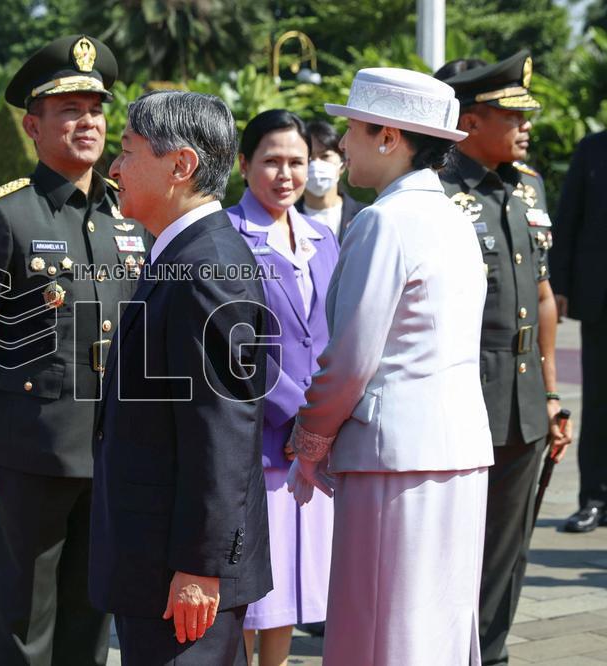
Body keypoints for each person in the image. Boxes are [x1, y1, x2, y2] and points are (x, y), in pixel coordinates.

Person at [0, 35, 148, 665]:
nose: (87, 122)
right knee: (24, 623)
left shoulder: (129, 215)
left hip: (112, 456)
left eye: (95, 109)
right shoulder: (5, 215)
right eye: (69, 111)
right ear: (33, 126)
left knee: (91, 620)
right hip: (30, 455)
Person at [288, 68, 494, 665]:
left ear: (389, 137)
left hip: (393, 458)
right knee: (438, 632)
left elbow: (351, 357)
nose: (342, 143)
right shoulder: (456, 219)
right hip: (459, 453)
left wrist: (310, 440)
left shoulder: (384, 220)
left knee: (382, 633)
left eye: (354, 127)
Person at [90, 90, 272, 665]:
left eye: (127, 151)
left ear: (181, 165)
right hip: (156, 557)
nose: (114, 167)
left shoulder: (204, 268)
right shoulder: (181, 253)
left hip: (182, 572)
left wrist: (201, 567)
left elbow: (223, 430)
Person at [435, 51, 573, 665]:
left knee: (508, 549)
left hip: (524, 397)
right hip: (463, 391)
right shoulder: (439, 191)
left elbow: (543, 295)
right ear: (469, 121)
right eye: (511, 115)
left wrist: (552, 393)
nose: (526, 125)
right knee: (450, 544)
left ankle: (490, 653)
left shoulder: (528, 186)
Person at [224, 110, 338, 666]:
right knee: (252, 597)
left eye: (297, 161)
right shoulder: (226, 236)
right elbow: (232, 343)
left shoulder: (324, 237)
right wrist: (296, 413)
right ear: (244, 164)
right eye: (272, 161)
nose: (286, 174)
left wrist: (323, 418)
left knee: (293, 588)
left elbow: (335, 332)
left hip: (313, 445)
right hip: (259, 440)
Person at [550, 129, 607, 532]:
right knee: (600, 402)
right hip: (601, 298)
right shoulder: (593, 149)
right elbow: (569, 217)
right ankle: (595, 499)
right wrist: (561, 286)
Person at [295, 119, 366, 239]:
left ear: (343, 164)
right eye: (308, 158)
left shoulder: (365, 215)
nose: (316, 164)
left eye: (325, 156)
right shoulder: (284, 219)